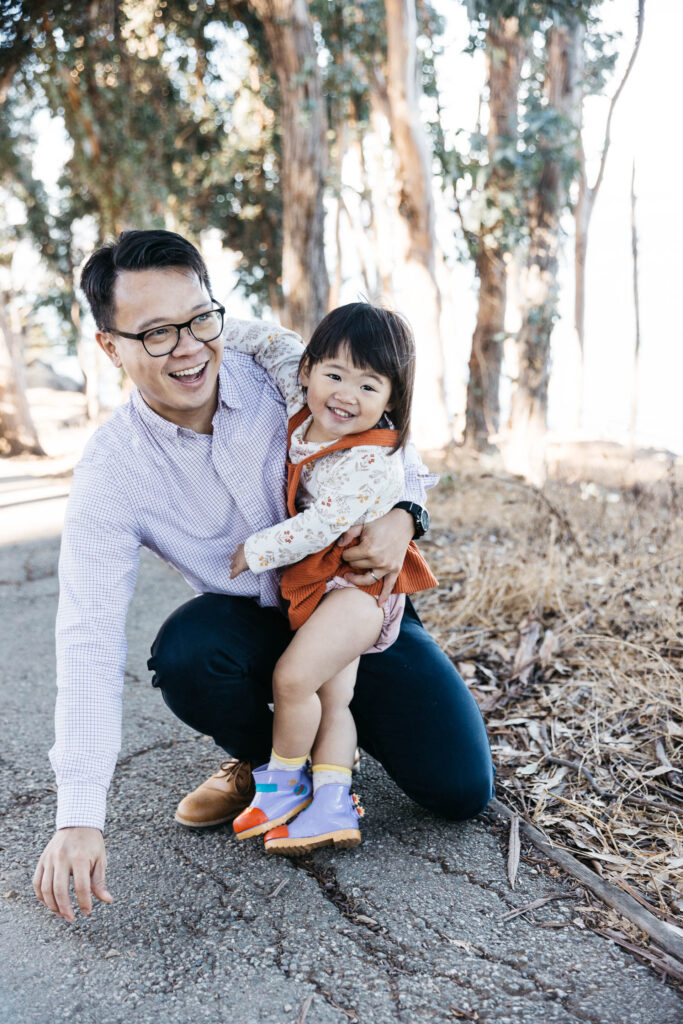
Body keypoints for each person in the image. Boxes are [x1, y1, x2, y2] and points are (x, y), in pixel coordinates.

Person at [32, 229, 494, 923]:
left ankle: (329, 725)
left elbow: (380, 425)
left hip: (352, 600)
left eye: (198, 320)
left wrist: (404, 512)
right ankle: (268, 760)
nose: (189, 348)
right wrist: (78, 815)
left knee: (460, 790)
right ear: (110, 347)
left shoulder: (277, 369)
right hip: (252, 621)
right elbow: (87, 638)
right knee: (188, 650)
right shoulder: (110, 474)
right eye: (156, 334)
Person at [225, 303, 438, 855]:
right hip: (332, 588)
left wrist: (257, 549)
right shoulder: (302, 403)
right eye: (335, 375)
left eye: (370, 386)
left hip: (358, 592)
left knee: (292, 680)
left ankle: (283, 784)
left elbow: (323, 523)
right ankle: (333, 803)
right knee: (332, 699)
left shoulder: (373, 461)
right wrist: (214, 328)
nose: (346, 395)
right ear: (309, 371)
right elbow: (274, 344)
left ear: (392, 402)